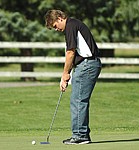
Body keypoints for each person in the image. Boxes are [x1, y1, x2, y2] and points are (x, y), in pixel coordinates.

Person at [44, 9, 102, 145]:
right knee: (79, 100)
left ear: (59, 18)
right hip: (87, 65)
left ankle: (80, 135)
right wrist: (67, 73)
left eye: (55, 26)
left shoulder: (70, 26)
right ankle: (82, 134)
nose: (56, 29)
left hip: (87, 65)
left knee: (78, 100)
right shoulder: (73, 25)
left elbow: (70, 52)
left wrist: (64, 74)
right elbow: (74, 54)